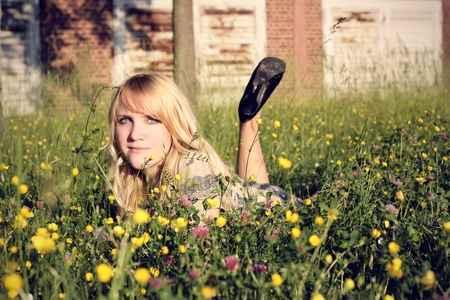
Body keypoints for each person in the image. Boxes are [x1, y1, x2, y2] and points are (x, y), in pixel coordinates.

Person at [108, 57, 299, 220]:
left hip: (295, 215)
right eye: (125, 120)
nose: (134, 134)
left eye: (152, 120)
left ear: (174, 124)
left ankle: (249, 121)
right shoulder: (131, 180)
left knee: (321, 197)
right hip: (256, 211)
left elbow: (200, 244)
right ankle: (248, 121)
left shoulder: (191, 166)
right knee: (249, 195)